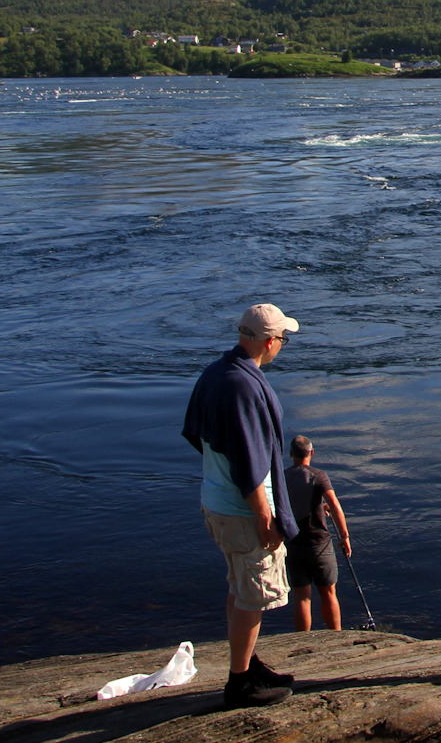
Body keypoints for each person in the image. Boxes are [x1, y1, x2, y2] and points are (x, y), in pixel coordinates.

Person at [181, 303, 302, 709]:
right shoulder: (245, 386)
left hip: (215, 501)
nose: (283, 345)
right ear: (270, 342)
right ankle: (239, 684)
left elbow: (194, 432)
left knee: (240, 587)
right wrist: (265, 516)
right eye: (283, 339)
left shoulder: (216, 373)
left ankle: (247, 664)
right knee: (254, 594)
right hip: (242, 511)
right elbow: (250, 463)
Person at [283, 434, 352, 631]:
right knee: (328, 593)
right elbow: (335, 506)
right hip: (318, 544)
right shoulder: (318, 476)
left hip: (294, 544)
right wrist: (345, 536)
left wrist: (319, 506)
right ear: (312, 452)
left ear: (291, 454)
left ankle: (303, 642)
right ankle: (336, 638)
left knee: (302, 598)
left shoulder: (282, 477)